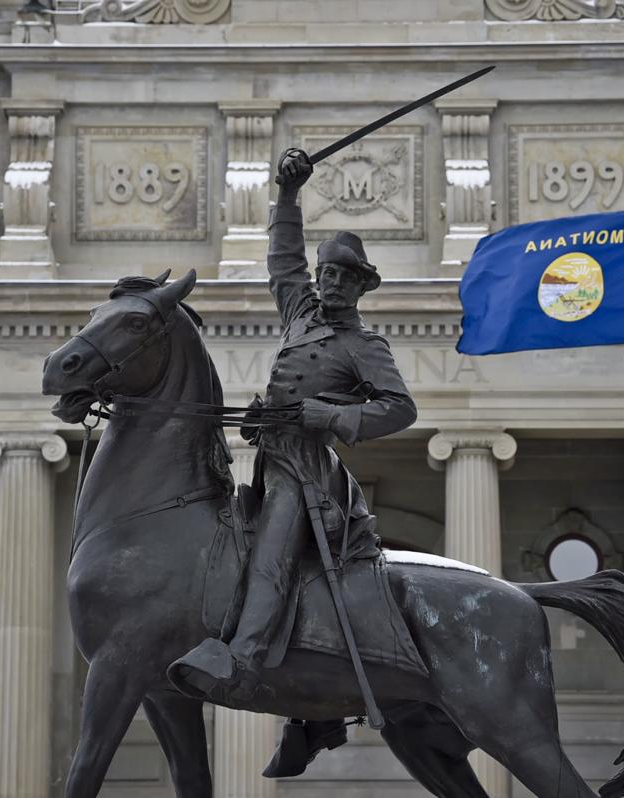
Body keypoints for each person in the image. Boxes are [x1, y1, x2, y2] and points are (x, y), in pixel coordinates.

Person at [170, 148, 417, 776]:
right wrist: (287, 195)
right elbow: (283, 261)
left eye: (342, 276)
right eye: (327, 272)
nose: (329, 282)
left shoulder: (364, 347)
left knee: (275, 554)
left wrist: (329, 418)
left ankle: (242, 658)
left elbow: (400, 409)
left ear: (361, 286)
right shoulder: (302, 316)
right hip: (271, 458)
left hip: (310, 476)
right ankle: (309, 706)